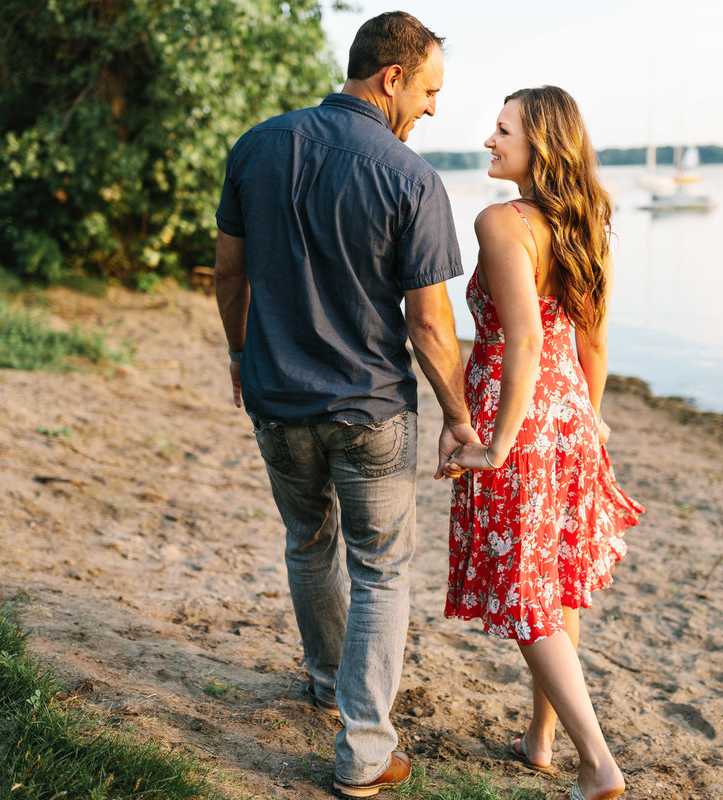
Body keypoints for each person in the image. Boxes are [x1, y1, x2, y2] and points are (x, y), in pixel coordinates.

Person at [213, 12, 478, 798]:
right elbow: (431, 326)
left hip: (276, 399)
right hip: (371, 413)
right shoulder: (410, 178)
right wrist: (461, 418)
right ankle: (364, 748)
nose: (432, 108)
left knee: (308, 542)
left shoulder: (257, 146)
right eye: (429, 90)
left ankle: (329, 683)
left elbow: (229, 273)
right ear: (391, 77)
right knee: (382, 570)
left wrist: (239, 353)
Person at [442, 86, 644, 800]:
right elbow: (593, 345)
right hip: (570, 419)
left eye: (502, 131)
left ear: (540, 144)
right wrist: (586, 426)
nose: (489, 141)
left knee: (529, 593)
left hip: (519, 418)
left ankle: (597, 761)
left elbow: (521, 339)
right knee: (554, 584)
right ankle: (542, 740)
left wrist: (495, 444)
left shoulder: (502, 223)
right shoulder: (588, 225)